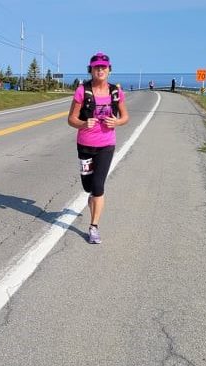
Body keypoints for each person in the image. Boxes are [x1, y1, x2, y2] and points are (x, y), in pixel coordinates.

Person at [68, 52, 129, 244]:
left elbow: (125, 117)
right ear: (91, 70)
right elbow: (71, 119)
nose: (100, 70)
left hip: (106, 145)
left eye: (104, 67)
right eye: (97, 67)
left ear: (109, 70)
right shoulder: (82, 91)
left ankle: (94, 227)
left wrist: (116, 122)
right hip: (85, 145)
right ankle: (92, 198)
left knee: (98, 187)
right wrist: (83, 124)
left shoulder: (116, 92)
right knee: (88, 187)